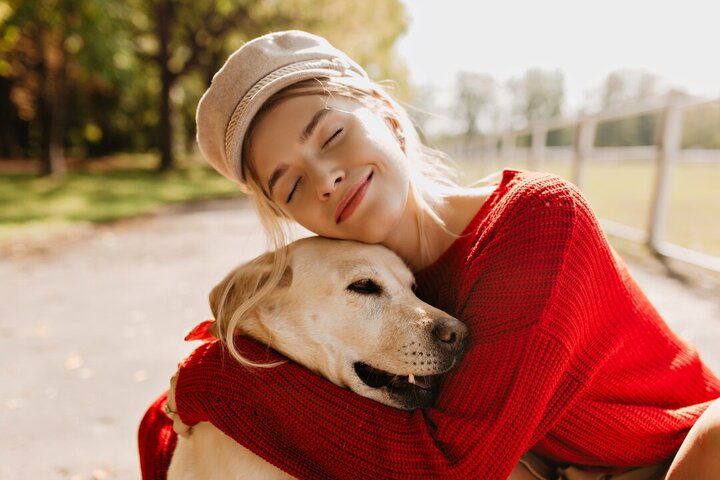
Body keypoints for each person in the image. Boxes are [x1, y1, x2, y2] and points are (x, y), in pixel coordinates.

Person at [138, 30, 720, 479]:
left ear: (387, 115)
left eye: (331, 135)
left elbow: (449, 469)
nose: (326, 177)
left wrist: (220, 381)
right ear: (289, 215)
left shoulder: (537, 222)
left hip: (670, 455)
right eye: (289, 185)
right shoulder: (356, 289)